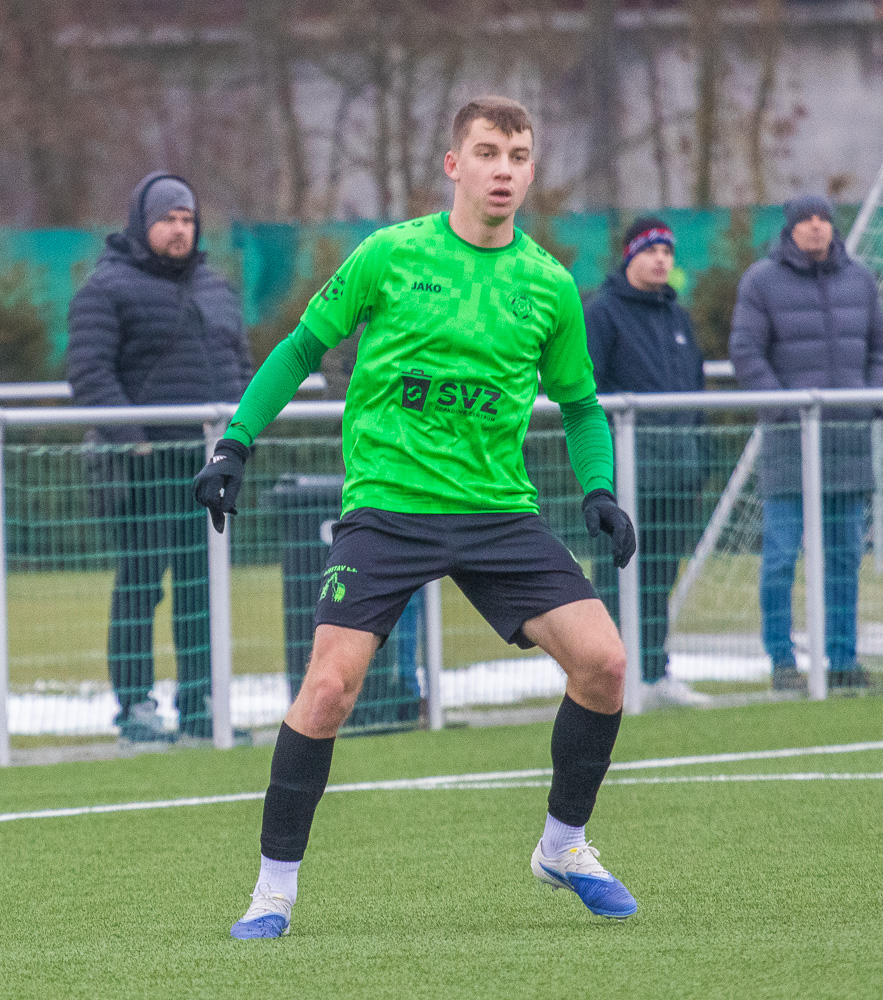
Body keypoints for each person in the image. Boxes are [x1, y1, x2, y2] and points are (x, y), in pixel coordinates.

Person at [193, 95, 639, 938]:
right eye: (487, 153)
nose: (502, 170)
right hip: (387, 507)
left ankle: (563, 846)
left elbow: (581, 406)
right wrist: (235, 445)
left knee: (605, 665)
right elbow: (298, 349)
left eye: (517, 156)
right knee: (329, 688)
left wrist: (598, 491)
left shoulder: (547, 285)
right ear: (453, 165)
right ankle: (272, 893)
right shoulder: (390, 255)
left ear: (530, 172)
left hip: (497, 512)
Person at [67, 171, 253, 742]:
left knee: (203, 591)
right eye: (167, 219)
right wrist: (135, 440)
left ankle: (201, 708)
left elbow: (242, 367)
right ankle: (136, 709)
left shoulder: (216, 289)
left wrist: (241, 436)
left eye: (187, 219)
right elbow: (90, 374)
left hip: (208, 465)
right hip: (142, 469)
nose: (179, 229)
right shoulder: (106, 288)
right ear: (141, 224)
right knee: (140, 587)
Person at [729, 193, 883, 692]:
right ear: (790, 228)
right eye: (806, 219)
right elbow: (746, 350)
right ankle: (782, 661)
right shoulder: (761, 281)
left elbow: (878, 350)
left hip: (848, 444)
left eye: (823, 218)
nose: (816, 226)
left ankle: (843, 660)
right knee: (779, 558)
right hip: (789, 446)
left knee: (844, 559)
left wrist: (868, 400)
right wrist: (784, 408)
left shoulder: (861, 281)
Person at [585, 217, 710, 709]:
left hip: (677, 471)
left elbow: (696, 392)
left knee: (659, 575)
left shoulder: (678, 317)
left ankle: (655, 673)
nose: (661, 259)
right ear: (630, 255)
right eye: (651, 250)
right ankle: (613, 677)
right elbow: (586, 392)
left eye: (668, 252)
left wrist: (698, 458)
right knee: (618, 577)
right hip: (626, 474)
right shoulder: (603, 313)